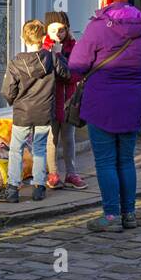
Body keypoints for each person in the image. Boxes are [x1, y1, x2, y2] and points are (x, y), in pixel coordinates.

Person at [68, 0, 141, 232]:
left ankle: (111, 216)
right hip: (133, 97)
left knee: (105, 161)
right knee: (126, 160)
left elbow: (77, 65)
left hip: (102, 100)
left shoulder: (99, 25)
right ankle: (129, 213)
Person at [0, 19, 68, 203]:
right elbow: (66, 74)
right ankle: (39, 187)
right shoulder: (51, 58)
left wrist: (15, 101)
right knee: (40, 148)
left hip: (23, 112)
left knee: (16, 150)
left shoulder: (16, 62)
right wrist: (59, 55)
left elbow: (8, 91)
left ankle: (13, 188)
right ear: (43, 38)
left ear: (23, 38)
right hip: (44, 111)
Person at [41, 11, 87, 191]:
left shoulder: (74, 47)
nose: (58, 34)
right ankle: (53, 173)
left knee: (69, 138)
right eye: (53, 30)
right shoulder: (43, 49)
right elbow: (44, 74)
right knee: (51, 139)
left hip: (69, 101)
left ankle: (71, 173)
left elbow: (75, 74)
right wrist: (53, 55)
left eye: (62, 30)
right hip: (50, 100)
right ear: (46, 31)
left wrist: (60, 59)